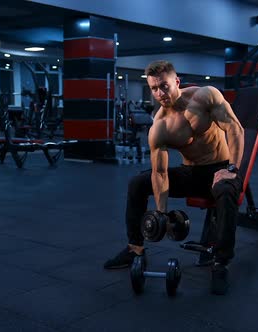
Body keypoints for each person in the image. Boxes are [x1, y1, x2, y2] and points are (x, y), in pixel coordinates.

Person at [103, 60, 244, 295]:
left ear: (176, 81)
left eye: (164, 86)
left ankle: (221, 262)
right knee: (138, 183)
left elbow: (234, 129)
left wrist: (232, 169)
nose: (160, 93)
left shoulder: (206, 96)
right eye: (154, 88)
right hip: (191, 173)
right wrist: (162, 214)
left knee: (226, 191)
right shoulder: (160, 125)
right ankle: (135, 248)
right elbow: (160, 172)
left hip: (221, 168)